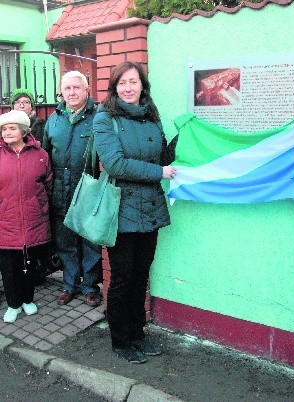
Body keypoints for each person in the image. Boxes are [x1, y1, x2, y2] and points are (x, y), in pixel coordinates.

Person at [93, 61, 177, 363]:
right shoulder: (105, 118)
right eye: (122, 83)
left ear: (143, 85)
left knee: (141, 276)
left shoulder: (152, 117)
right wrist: (160, 172)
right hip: (121, 210)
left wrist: (188, 136)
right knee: (123, 278)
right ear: (114, 87)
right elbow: (115, 164)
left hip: (150, 208)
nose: (128, 88)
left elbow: (164, 155)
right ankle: (121, 339)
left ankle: (138, 333)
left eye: (133, 82)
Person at [43, 71, 102, 307]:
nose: (72, 92)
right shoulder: (54, 119)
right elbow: (45, 156)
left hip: (88, 191)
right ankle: (70, 284)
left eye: (76, 88)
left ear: (87, 90)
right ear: (61, 91)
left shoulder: (98, 117)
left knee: (89, 242)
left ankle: (90, 286)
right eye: (67, 88)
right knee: (65, 242)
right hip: (60, 192)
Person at [0, 110, 53, 323]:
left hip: (33, 219)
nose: (7, 132)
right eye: (3, 129)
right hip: (5, 219)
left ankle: (27, 299)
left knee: (29, 263)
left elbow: (48, 183)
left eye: (11, 128)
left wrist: (39, 206)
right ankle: (13, 304)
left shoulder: (40, 154)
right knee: (9, 267)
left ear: (23, 131)